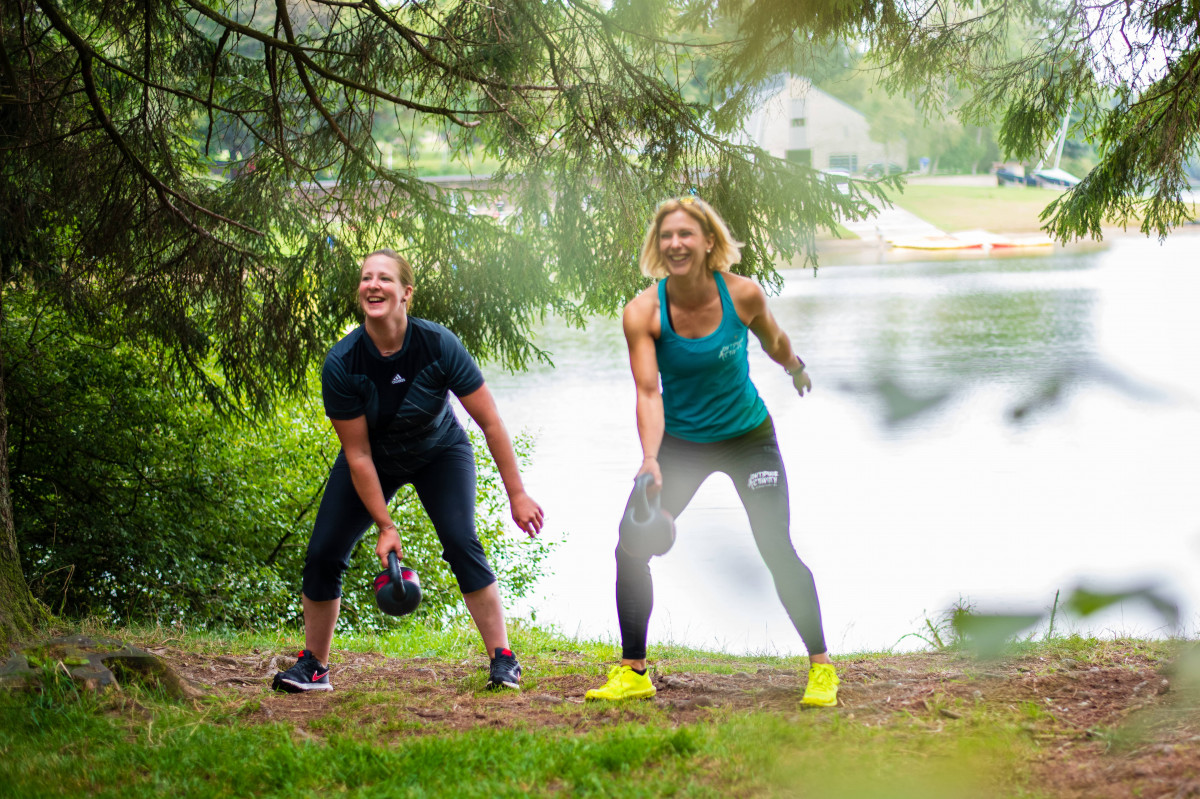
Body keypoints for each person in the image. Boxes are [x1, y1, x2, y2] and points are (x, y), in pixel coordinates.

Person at [585, 196, 839, 707]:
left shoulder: (742, 295)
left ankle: (821, 668)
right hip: (680, 444)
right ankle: (634, 671)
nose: (676, 244)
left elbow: (775, 340)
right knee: (630, 543)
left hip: (747, 437)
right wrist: (652, 458)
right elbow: (648, 391)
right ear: (658, 246)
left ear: (707, 242)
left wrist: (795, 367)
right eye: (666, 236)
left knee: (775, 547)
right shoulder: (643, 311)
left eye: (686, 234)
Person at [273, 249, 544, 693]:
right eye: (366, 278)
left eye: (384, 279)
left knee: (460, 541)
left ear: (406, 294)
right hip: (373, 461)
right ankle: (315, 667)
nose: (373, 285)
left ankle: (503, 659)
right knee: (323, 553)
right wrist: (385, 524)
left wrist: (517, 493)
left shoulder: (437, 344)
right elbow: (358, 455)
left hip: (440, 451)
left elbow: (490, 421)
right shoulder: (343, 363)